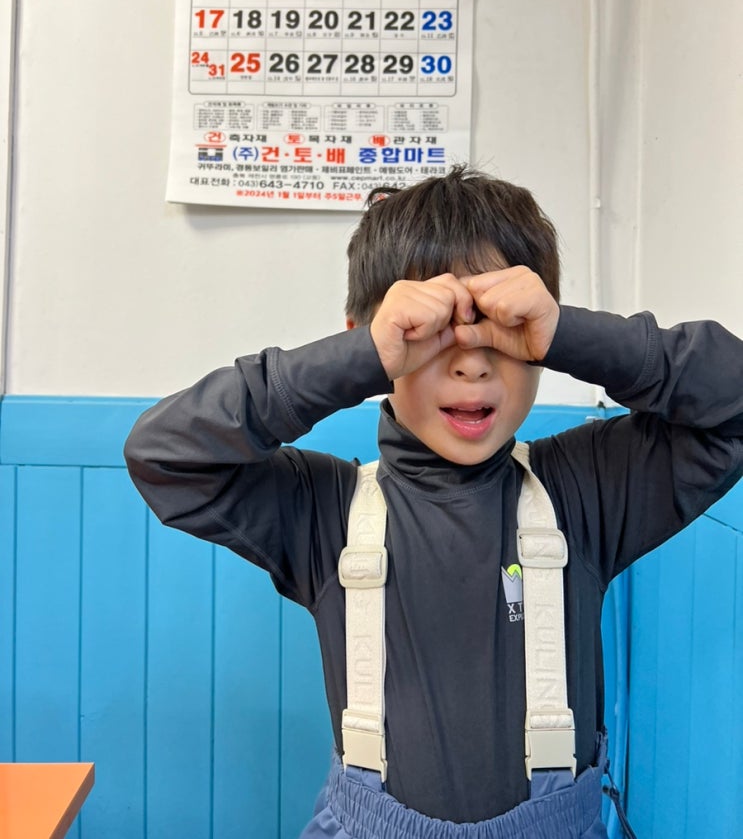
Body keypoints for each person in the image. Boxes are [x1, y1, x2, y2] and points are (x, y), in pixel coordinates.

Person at [124, 166, 743, 839]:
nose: (472, 362)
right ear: (371, 340)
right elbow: (164, 454)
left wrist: (566, 333)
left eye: (503, 329)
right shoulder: (322, 512)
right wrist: (360, 357)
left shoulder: (587, 489)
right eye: (431, 331)